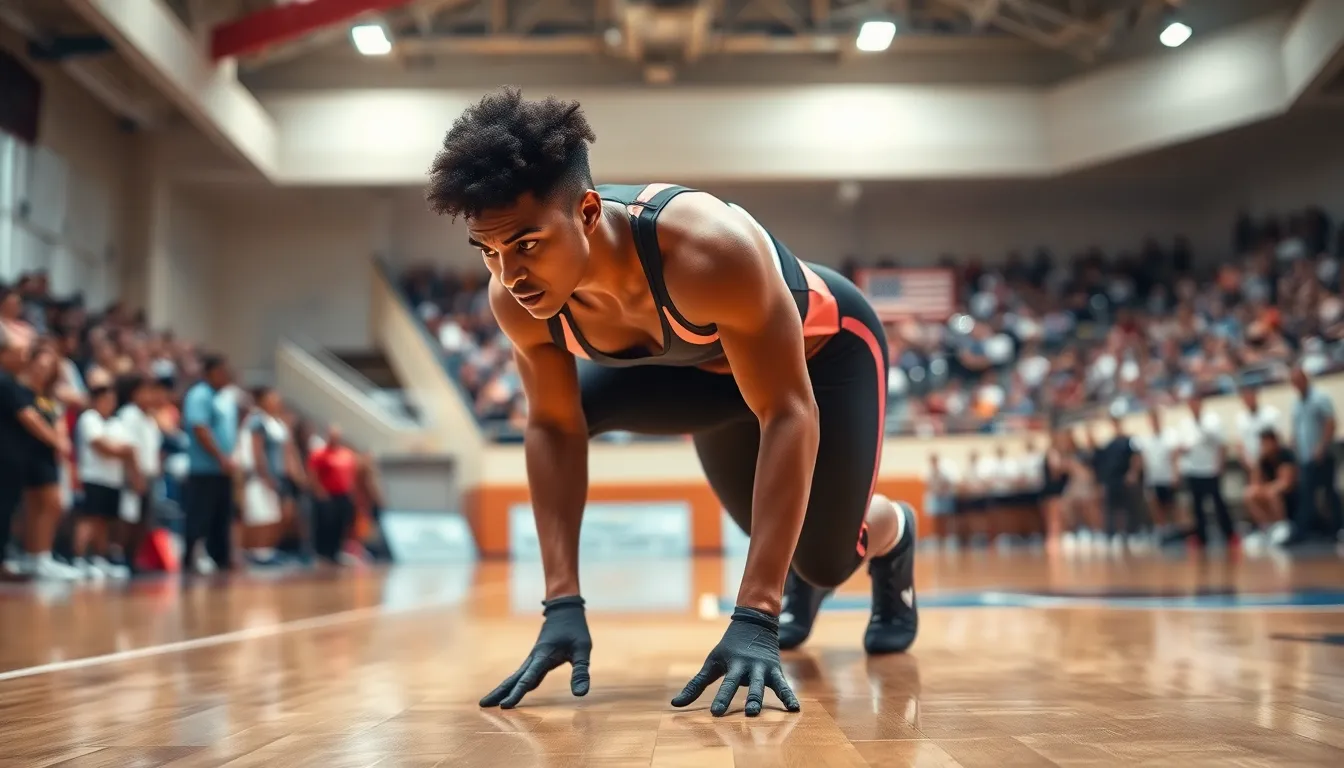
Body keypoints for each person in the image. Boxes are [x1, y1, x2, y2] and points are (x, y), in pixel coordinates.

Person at [424, 88, 918, 717]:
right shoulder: (515, 300)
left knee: (822, 562)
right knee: (572, 413)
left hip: (822, 361)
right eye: (489, 252)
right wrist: (560, 603)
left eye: (525, 244)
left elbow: (788, 411)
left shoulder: (708, 249)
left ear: (587, 211)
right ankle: (788, 570)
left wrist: (755, 615)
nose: (510, 276)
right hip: (702, 373)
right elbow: (551, 425)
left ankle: (893, 533)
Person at [181, 354, 239, 574]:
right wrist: (220, 457)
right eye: (221, 371)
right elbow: (200, 429)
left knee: (221, 518)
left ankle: (220, 558)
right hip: (204, 470)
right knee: (200, 515)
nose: (225, 376)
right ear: (209, 373)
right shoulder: (200, 395)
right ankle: (192, 558)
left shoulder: (224, 397)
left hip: (223, 470)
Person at [1286, 363, 1341, 544]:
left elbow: (1330, 423)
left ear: (1305, 379)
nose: (1296, 385)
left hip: (1322, 454)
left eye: (1298, 380)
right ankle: (1312, 530)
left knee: (1327, 492)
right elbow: (1297, 426)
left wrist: (1322, 446)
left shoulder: (1320, 397)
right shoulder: (1296, 403)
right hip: (1305, 455)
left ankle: (1336, 529)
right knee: (1308, 492)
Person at [1245, 428, 1296, 550]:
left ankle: (1281, 526)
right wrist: (1257, 463)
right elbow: (1254, 483)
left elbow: (1286, 483)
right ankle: (1265, 528)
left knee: (1272, 493)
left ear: (1274, 442)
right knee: (1249, 494)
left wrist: (1266, 489)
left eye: (1266, 443)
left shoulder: (1285, 455)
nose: (1263, 446)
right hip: (1268, 492)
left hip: (1288, 497)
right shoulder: (1263, 459)